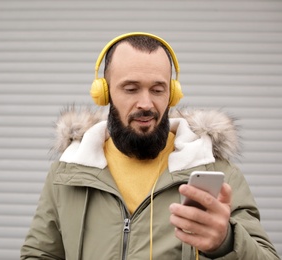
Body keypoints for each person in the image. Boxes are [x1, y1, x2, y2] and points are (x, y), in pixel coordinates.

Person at [20, 32, 280, 259]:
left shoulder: (218, 173)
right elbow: (39, 255)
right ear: (105, 93)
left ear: (172, 94)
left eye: (157, 90)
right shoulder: (67, 174)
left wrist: (226, 242)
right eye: (131, 89)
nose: (146, 103)